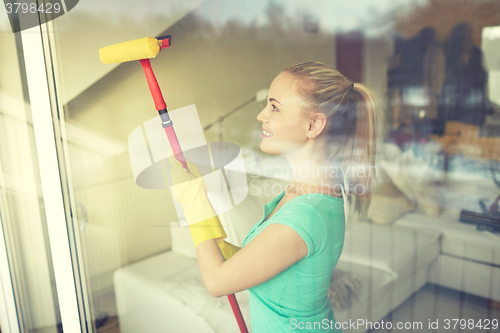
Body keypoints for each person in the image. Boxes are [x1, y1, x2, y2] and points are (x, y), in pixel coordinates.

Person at [168, 61, 378, 332]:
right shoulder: (304, 192)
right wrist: (218, 241)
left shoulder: (306, 213)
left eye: (274, 107)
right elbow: (263, 259)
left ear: (313, 125)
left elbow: (216, 283)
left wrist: (193, 201)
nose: (261, 115)